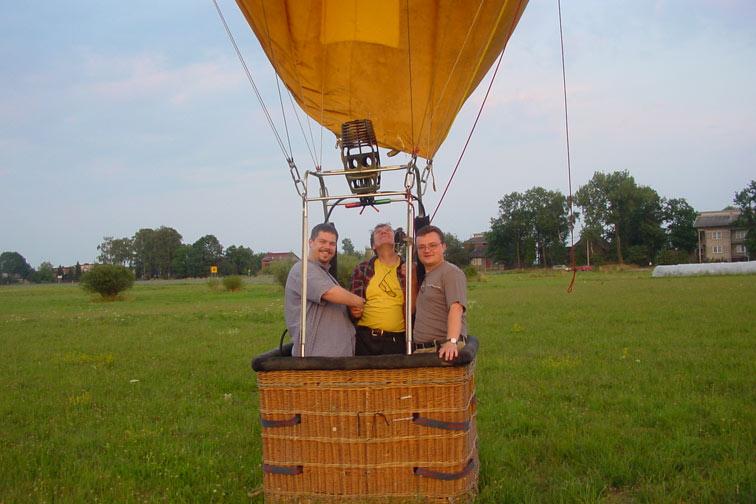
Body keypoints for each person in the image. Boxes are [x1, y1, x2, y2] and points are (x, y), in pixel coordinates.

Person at [284, 223, 365, 357]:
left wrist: (352, 310)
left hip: (335, 361)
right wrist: (359, 301)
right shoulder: (303, 269)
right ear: (311, 242)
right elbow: (330, 293)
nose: (327, 247)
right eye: (322, 241)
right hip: (316, 362)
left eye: (332, 244)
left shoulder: (326, 275)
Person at [349, 223, 411, 355]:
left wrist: (412, 276)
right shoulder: (363, 268)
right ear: (373, 245)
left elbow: (415, 305)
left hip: (397, 339)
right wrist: (353, 311)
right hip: (365, 337)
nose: (384, 232)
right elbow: (354, 302)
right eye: (379, 232)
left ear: (395, 241)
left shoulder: (409, 267)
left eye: (388, 230)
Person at [413, 225, 467, 361]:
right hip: (425, 350)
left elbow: (456, 308)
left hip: (442, 351)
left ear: (443, 246)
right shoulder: (427, 276)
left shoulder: (450, 273)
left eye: (432, 245)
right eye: (421, 247)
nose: (427, 250)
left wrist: (452, 341)